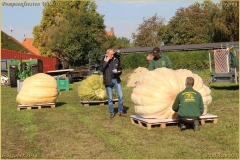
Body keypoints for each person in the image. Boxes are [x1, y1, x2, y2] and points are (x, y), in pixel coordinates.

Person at [99, 49, 126, 118]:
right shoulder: (103, 60)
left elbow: (120, 68)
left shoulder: (116, 60)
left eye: (113, 54)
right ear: (107, 54)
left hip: (116, 80)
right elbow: (101, 69)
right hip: (108, 81)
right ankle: (112, 112)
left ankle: (120, 111)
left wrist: (119, 72)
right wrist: (106, 61)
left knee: (121, 96)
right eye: (111, 54)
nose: (112, 55)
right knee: (110, 98)